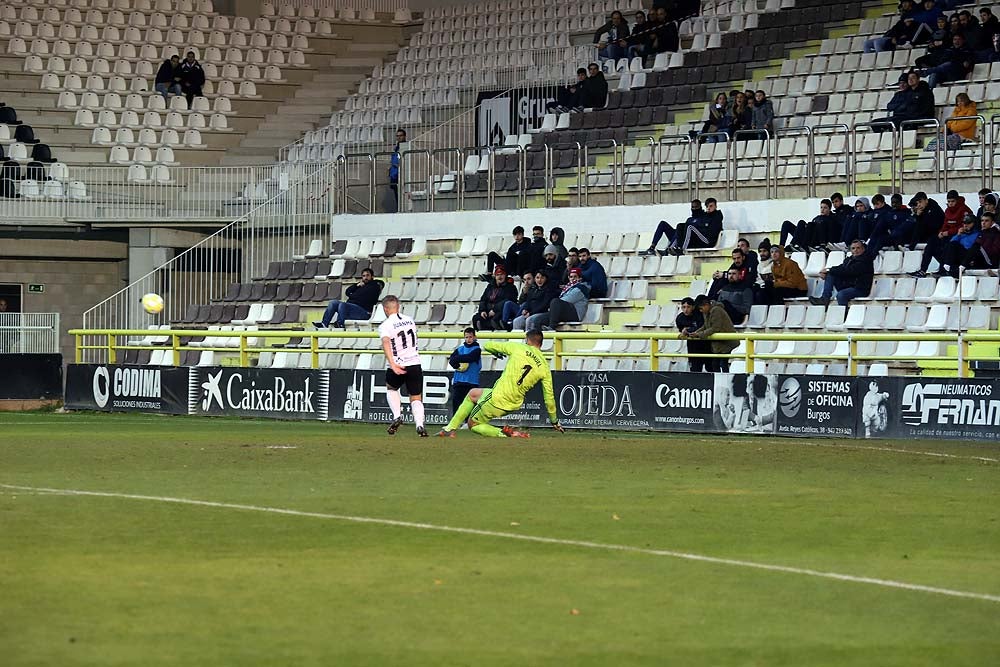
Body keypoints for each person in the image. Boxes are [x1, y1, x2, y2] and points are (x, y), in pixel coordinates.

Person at [436, 329, 564, 439]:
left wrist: (495, 352)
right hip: (514, 403)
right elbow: (549, 398)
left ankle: (507, 434)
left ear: (527, 340)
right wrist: (554, 421)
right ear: (540, 344)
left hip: (498, 398)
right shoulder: (545, 367)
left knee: (473, 424)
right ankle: (449, 429)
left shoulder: (518, 348)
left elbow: (488, 345)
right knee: (473, 393)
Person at [379, 295, 427, 437]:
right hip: (414, 362)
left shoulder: (385, 325)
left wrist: (393, 364)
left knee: (391, 387)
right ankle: (419, 425)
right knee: (416, 397)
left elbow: (386, 342)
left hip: (398, 363)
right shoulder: (409, 320)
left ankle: (397, 416)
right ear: (398, 306)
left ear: (385, 309)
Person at [640, 197, 724, 255]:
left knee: (689, 226)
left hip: (707, 240)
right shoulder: (691, 219)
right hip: (689, 238)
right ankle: (653, 248)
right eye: (707, 206)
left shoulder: (715, 216)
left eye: (711, 206)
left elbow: (711, 228)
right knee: (679, 226)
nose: (709, 208)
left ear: (716, 206)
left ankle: (681, 249)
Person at [910, 213, 980, 278]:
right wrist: (958, 235)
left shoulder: (977, 234)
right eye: (964, 223)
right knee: (932, 243)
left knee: (953, 244)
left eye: (968, 223)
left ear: (974, 223)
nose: (965, 225)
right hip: (953, 257)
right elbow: (951, 244)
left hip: (965, 258)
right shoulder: (961, 234)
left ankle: (944, 269)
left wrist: (962, 236)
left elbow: (968, 246)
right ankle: (923, 270)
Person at [682, 295, 738, 372]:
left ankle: (724, 382)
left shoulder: (717, 310)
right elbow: (705, 326)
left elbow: (715, 328)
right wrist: (695, 332)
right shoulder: (707, 312)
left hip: (727, 343)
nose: (701, 311)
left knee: (722, 364)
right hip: (720, 344)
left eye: (701, 308)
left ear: (706, 305)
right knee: (716, 364)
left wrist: (699, 334)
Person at [810, 240, 874, 306]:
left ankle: (844, 313)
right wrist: (827, 271)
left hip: (860, 289)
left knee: (841, 294)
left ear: (863, 249)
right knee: (830, 274)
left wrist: (830, 270)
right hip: (848, 285)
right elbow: (841, 267)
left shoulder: (866, 260)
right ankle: (825, 299)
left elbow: (849, 271)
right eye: (853, 248)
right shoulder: (849, 259)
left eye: (858, 248)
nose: (855, 250)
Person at [313, 267, 383, 328]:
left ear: (372, 276)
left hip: (364, 312)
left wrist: (353, 296)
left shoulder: (375, 286)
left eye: (368, 275)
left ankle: (340, 324)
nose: (365, 278)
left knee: (343, 304)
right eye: (363, 276)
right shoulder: (360, 286)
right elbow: (347, 292)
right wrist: (356, 285)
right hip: (352, 308)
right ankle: (324, 324)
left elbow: (359, 296)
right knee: (333, 302)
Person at [871, 71, 935, 132]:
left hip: (917, 117)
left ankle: (898, 140)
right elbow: (890, 106)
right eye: (909, 78)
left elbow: (921, 109)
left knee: (895, 123)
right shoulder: (905, 93)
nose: (910, 80)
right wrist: (901, 106)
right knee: (875, 123)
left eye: (913, 78)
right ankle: (884, 138)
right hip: (903, 117)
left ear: (918, 79)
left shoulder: (925, 91)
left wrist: (902, 108)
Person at [473, 266, 518, 331]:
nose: (500, 277)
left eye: (502, 274)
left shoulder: (511, 287)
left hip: (501, 311)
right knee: (476, 318)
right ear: (495, 276)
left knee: (496, 319)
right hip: (488, 311)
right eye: (498, 275)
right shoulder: (490, 286)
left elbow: (508, 300)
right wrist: (483, 310)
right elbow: (483, 299)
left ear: (505, 275)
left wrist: (494, 310)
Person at [448, 327, 482, 414]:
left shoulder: (477, 350)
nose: (468, 339)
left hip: (471, 381)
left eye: (470, 337)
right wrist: (456, 363)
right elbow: (451, 360)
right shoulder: (459, 349)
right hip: (459, 381)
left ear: (474, 337)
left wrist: (457, 359)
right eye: (466, 337)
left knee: (471, 403)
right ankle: (455, 422)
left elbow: (470, 357)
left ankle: (468, 422)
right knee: (457, 402)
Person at [676, 297, 710, 372]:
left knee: (710, 367)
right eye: (684, 307)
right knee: (695, 368)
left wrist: (688, 330)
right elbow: (681, 329)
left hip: (705, 344)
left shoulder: (700, 315)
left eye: (688, 307)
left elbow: (703, 327)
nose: (686, 309)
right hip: (692, 346)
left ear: (693, 307)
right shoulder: (680, 318)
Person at [388, 128, 406, 213]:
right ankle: (398, 209)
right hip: (394, 174)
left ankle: (402, 209)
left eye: (400, 136)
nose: (399, 138)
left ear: (404, 136)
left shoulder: (405, 146)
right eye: (397, 136)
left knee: (401, 193)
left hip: (400, 173)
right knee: (396, 193)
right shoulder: (396, 148)